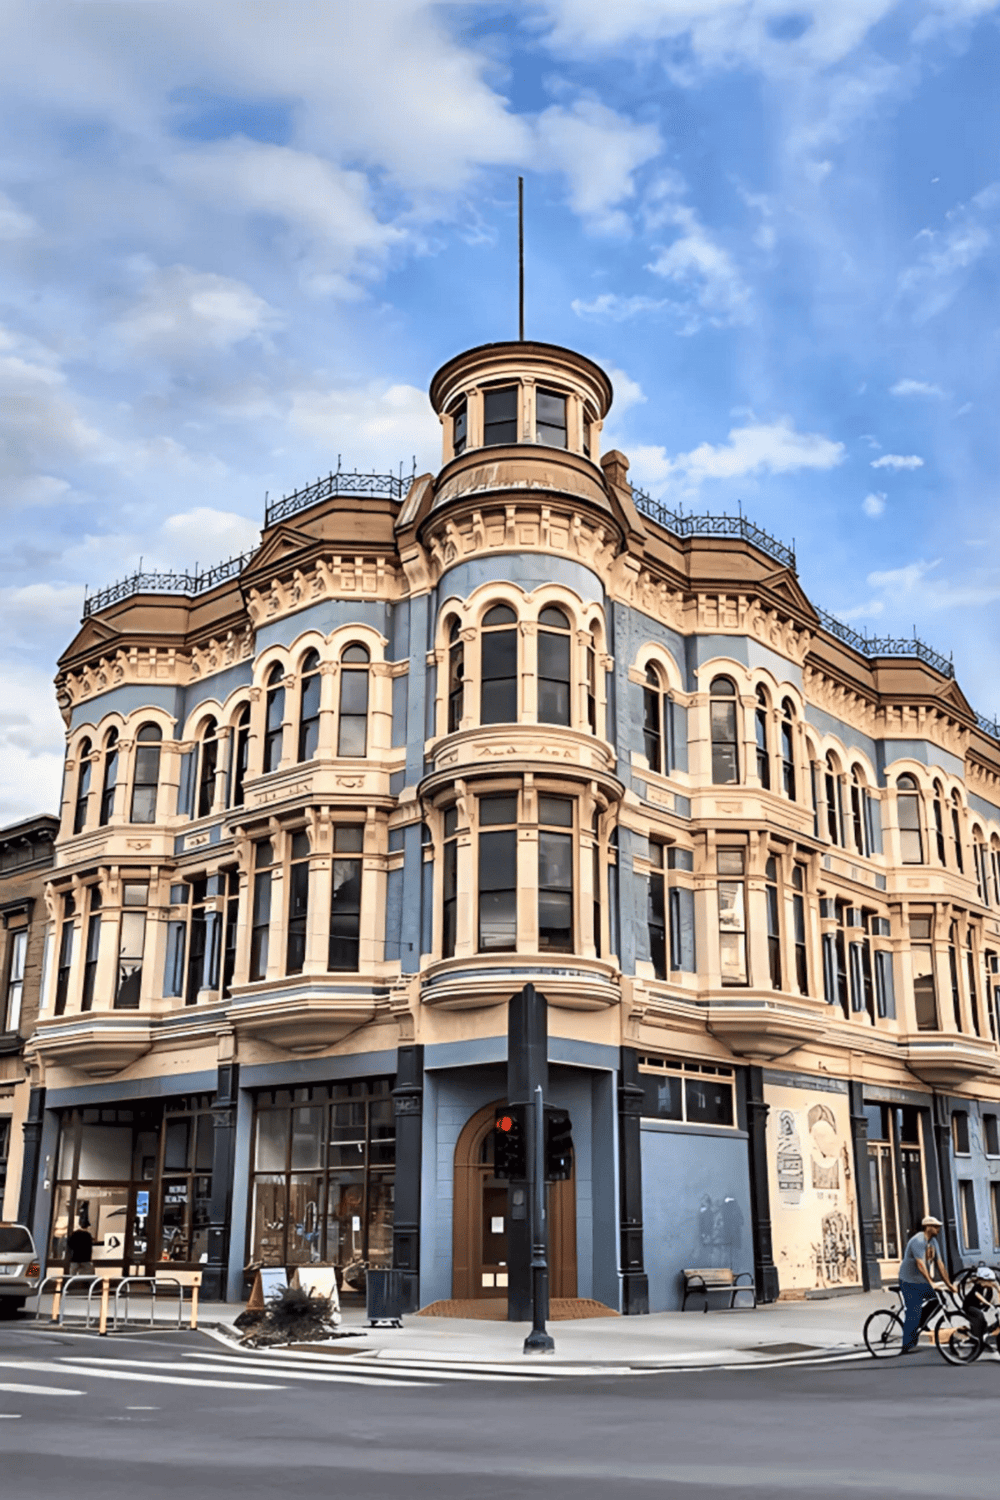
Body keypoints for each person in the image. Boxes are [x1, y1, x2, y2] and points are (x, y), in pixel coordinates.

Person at [898, 1215, 955, 1352]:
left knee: (938, 1298)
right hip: (909, 1281)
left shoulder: (933, 1241)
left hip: (920, 1281)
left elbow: (940, 1264)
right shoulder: (918, 1240)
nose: (939, 1228)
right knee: (914, 1310)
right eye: (936, 1226)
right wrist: (931, 1282)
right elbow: (920, 1264)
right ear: (928, 1227)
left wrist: (949, 1285)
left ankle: (920, 1322)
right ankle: (907, 1344)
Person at [960, 1265, 998, 1345]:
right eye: (989, 1281)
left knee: (984, 1323)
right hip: (969, 1306)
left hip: (977, 1307)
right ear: (983, 1280)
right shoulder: (978, 1286)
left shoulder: (987, 1287)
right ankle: (975, 1338)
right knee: (979, 1316)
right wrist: (988, 1304)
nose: (991, 1283)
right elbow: (978, 1296)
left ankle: (980, 1339)